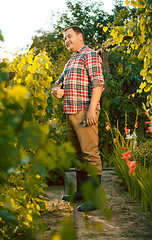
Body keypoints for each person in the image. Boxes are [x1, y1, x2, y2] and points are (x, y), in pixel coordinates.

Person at [52, 25, 104, 211]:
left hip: (84, 111)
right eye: (65, 39)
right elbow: (56, 83)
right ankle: (81, 192)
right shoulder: (70, 62)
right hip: (70, 112)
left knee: (90, 154)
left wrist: (92, 110)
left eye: (69, 36)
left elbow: (98, 84)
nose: (67, 41)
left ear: (80, 36)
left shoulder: (89, 55)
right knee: (77, 155)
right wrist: (56, 91)